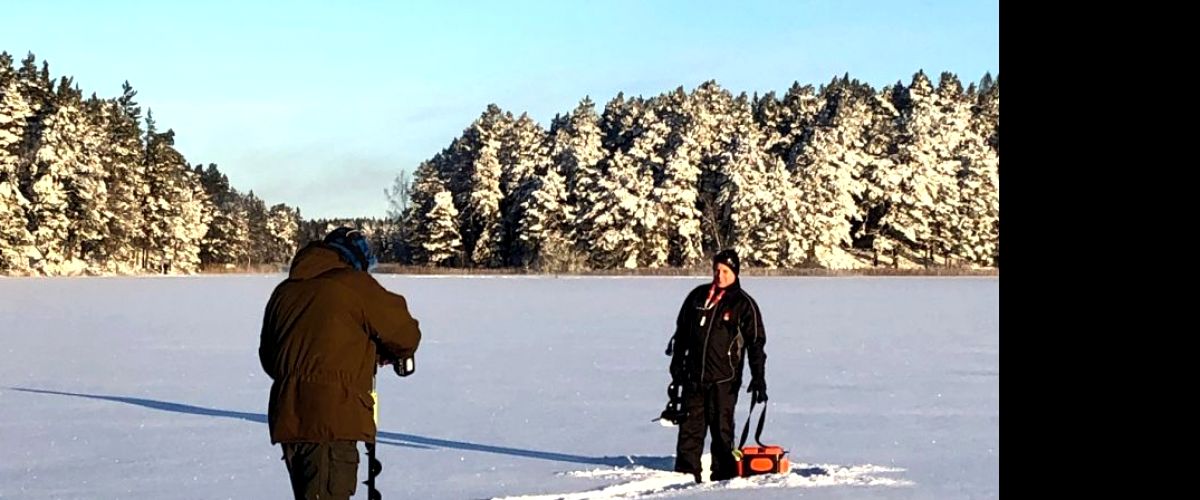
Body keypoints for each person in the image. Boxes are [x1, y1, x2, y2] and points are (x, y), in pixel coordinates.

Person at [259, 227, 421, 500]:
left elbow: (270, 358)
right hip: (334, 417)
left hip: (288, 417)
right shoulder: (353, 284)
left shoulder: (285, 292)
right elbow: (404, 334)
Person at [663, 249, 767, 483]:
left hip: (724, 380)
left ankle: (723, 478)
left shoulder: (744, 304)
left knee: (722, 432)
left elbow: (756, 344)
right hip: (694, 377)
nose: (720, 275)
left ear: (735, 272)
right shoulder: (698, 297)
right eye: (717, 270)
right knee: (690, 431)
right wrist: (677, 365)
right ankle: (685, 476)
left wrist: (758, 377)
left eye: (725, 271)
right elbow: (681, 334)